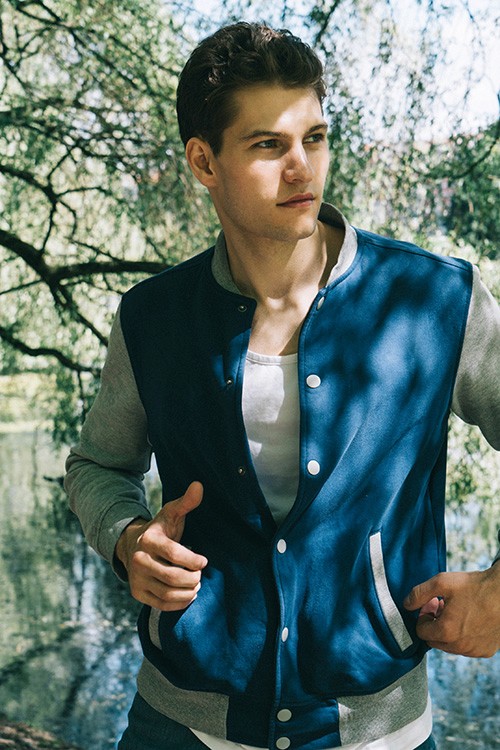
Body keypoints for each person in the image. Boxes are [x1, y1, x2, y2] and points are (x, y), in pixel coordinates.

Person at [64, 22, 500, 750]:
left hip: (379, 731)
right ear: (204, 161)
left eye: (315, 138)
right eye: (269, 145)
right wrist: (127, 539)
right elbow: (97, 466)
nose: (302, 168)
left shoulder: (434, 301)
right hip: (179, 724)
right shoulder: (153, 320)